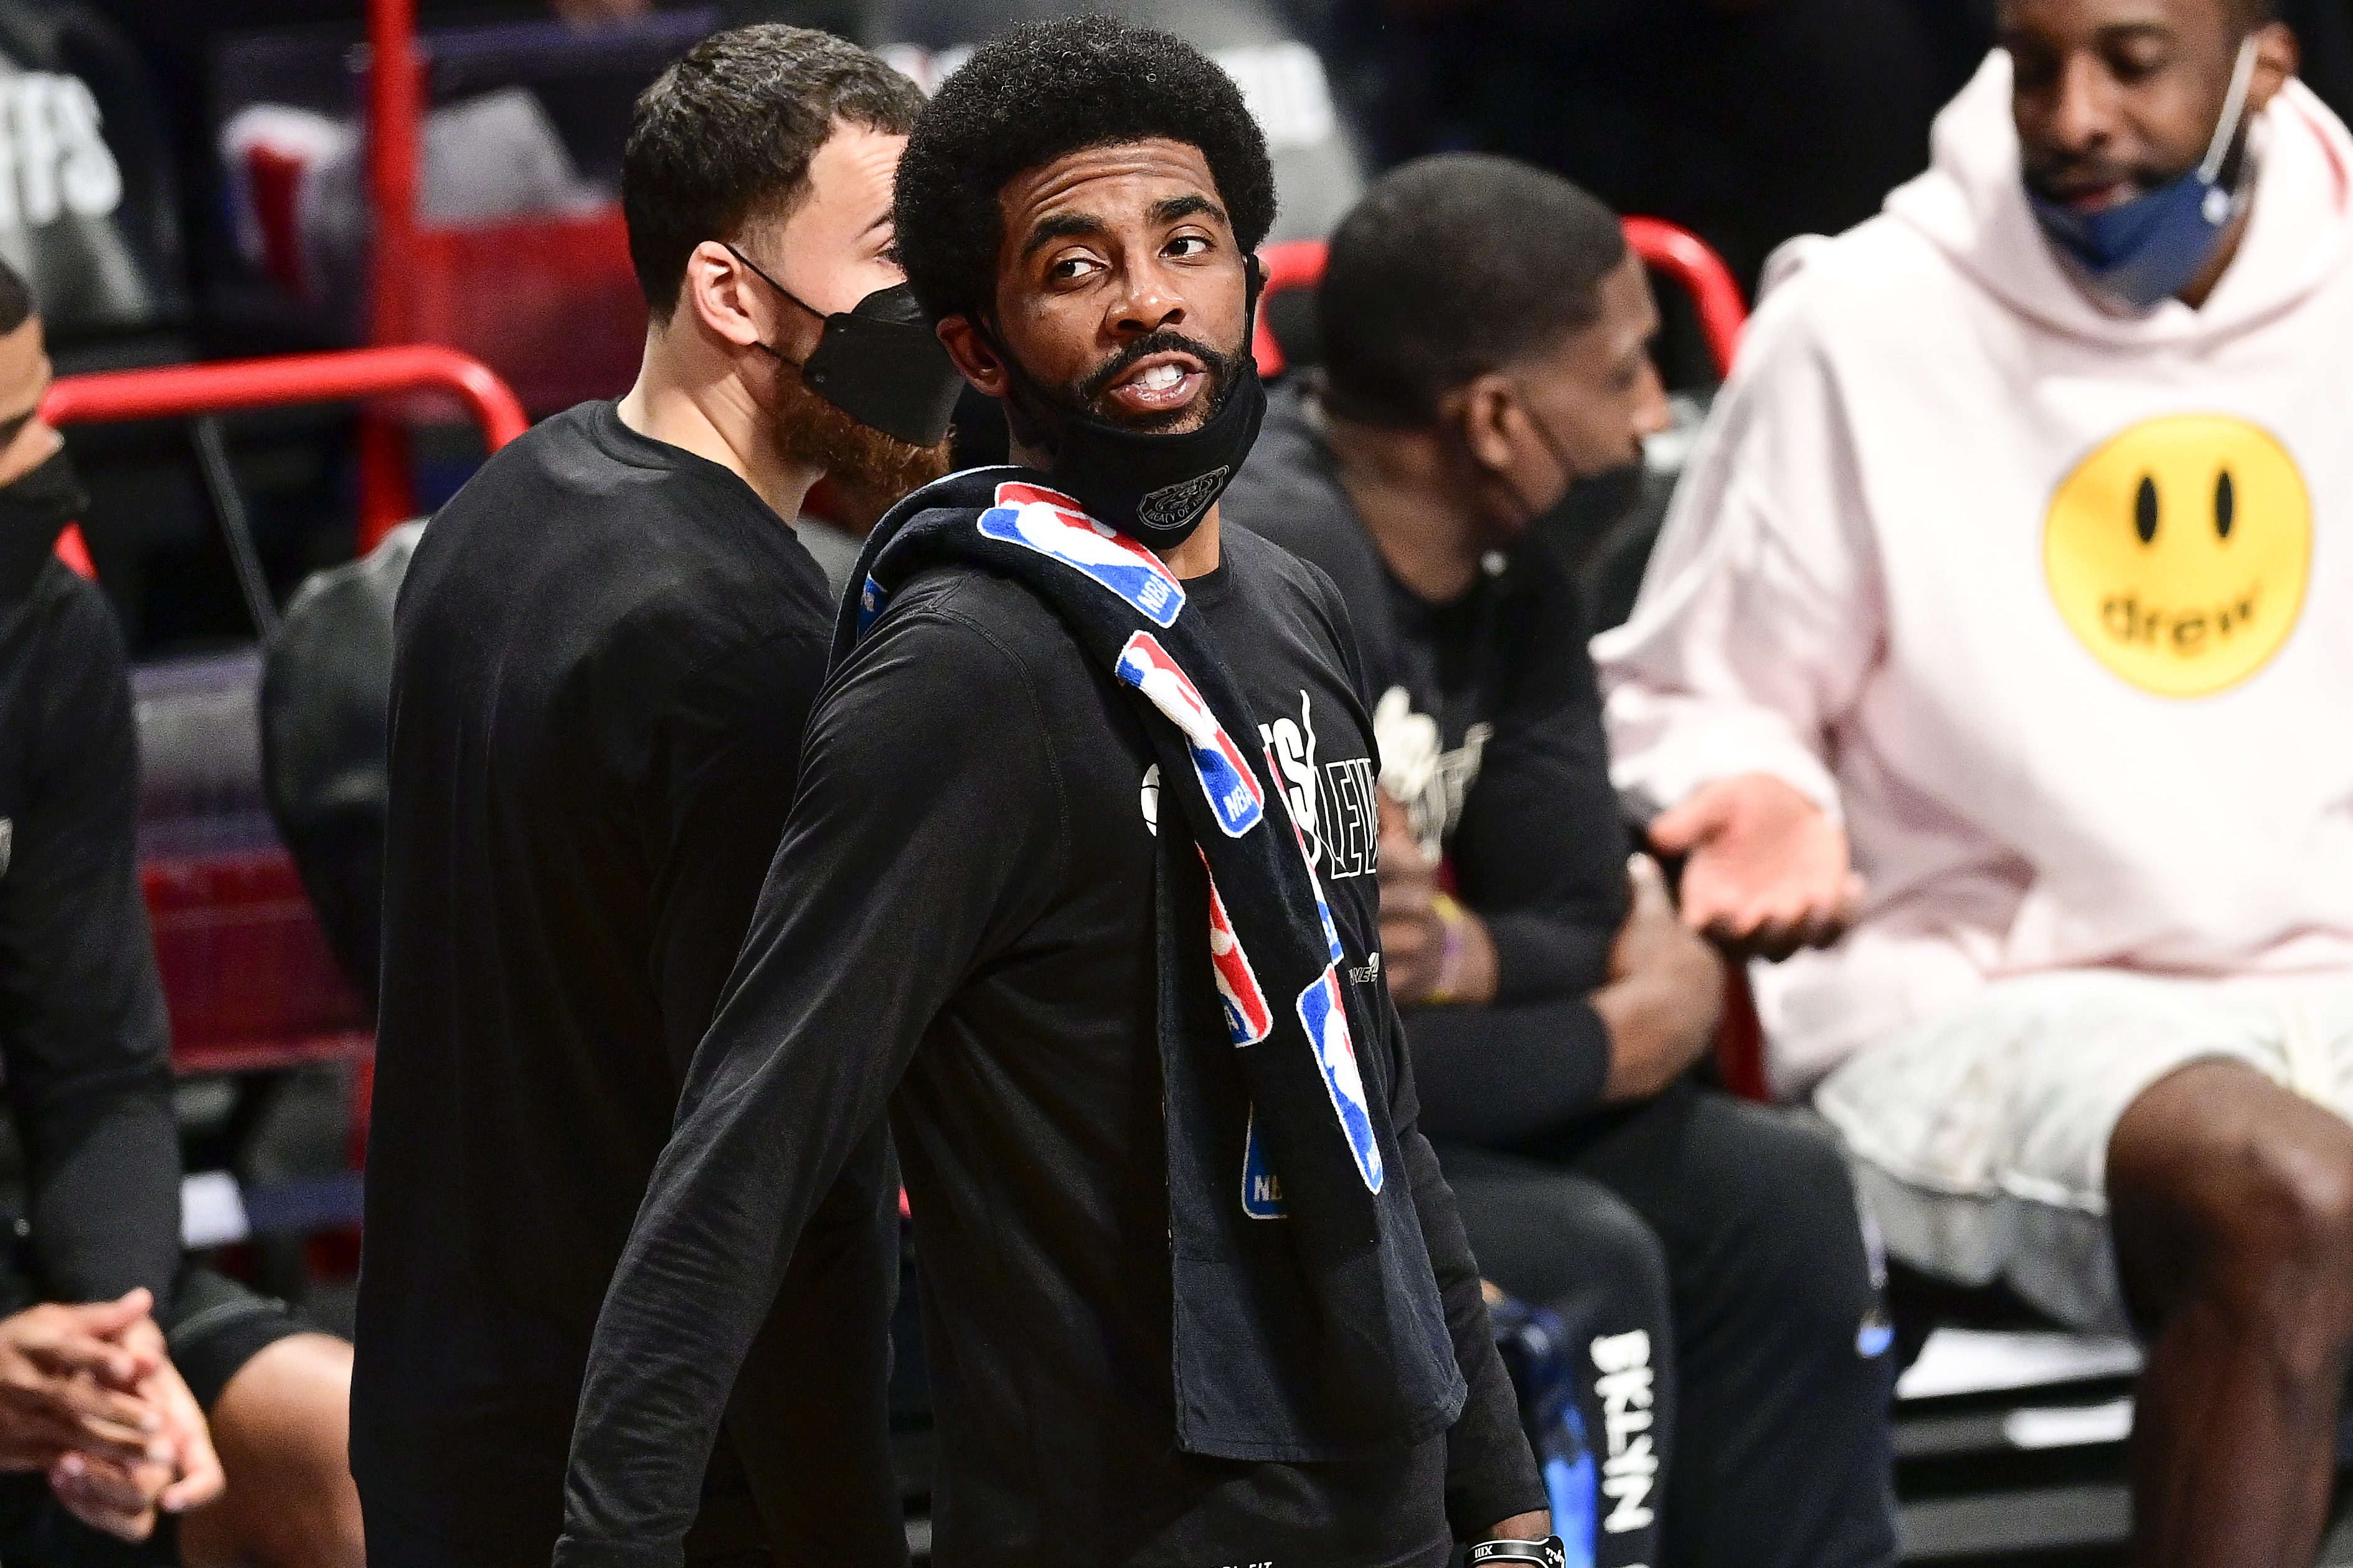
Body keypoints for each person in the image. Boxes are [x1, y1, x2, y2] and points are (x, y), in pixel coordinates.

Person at [557, 20, 1558, 1568]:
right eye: (1076, 265)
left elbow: (1372, 1093)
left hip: (1383, 1507)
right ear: (977, 346)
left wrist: (1501, 1503)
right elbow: (747, 1152)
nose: (1150, 294)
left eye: (1187, 243)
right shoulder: (966, 678)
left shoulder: (1298, 609)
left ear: (1255, 286)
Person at [1596, 0, 2353, 1562]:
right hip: (1981, 990)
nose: (2070, 114)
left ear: (2260, 71)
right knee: (2291, 1196)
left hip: (2327, 962)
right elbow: (1695, 694)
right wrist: (1763, 789)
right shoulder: (1868, 318)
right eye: (2033, 64)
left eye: (2132, 63)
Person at [1219, 153, 1898, 1568]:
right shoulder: (1268, 582)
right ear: (1494, 417)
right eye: (1630, 372)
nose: (1657, 416)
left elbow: (1576, 912)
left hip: (1432, 1092)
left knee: (1773, 1194)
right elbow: (1296, 1053)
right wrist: (1620, 1037)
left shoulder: (1508, 569)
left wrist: (1467, 958)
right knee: (1588, 1253)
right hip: (1257, 1148)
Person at [355, 26, 960, 1568]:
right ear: (729, 292)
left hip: (445, 1424)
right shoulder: (747, 645)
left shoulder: (503, 505)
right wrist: (845, 1528)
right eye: (895, 261)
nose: (941, 324)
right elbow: (782, 1178)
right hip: (665, 1486)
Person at [0, 256, 362, 1568]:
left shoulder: (45, 636)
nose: (53, 463)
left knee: (352, 1464)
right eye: (9, 433)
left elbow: (97, 1065)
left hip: (36, 1291)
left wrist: (118, 1346)